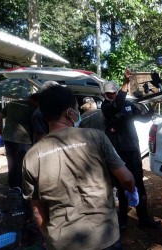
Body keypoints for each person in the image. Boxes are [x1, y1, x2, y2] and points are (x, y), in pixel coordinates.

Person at [22, 85, 139, 250]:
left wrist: (49, 239)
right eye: (77, 109)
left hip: (62, 242)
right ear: (70, 113)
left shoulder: (32, 156)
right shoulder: (95, 137)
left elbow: (37, 210)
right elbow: (126, 178)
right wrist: (132, 192)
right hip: (104, 237)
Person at [101, 69, 162, 231]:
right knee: (122, 187)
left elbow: (144, 118)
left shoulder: (128, 105)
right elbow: (116, 105)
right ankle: (122, 221)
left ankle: (144, 219)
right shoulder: (106, 107)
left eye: (113, 93)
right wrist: (126, 83)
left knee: (139, 185)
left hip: (133, 150)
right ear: (105, 95)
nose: (111, 96)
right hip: (118, 152)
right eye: (109, 94)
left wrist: (154, 106)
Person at [0, 93, 39, 189]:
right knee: (22, 164)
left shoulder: (12, 103)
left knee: (11, 162)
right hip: (23, 140)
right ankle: (19, 186)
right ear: (35, 101)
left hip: (7, 138)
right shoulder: (34, 109)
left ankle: (11, 185)